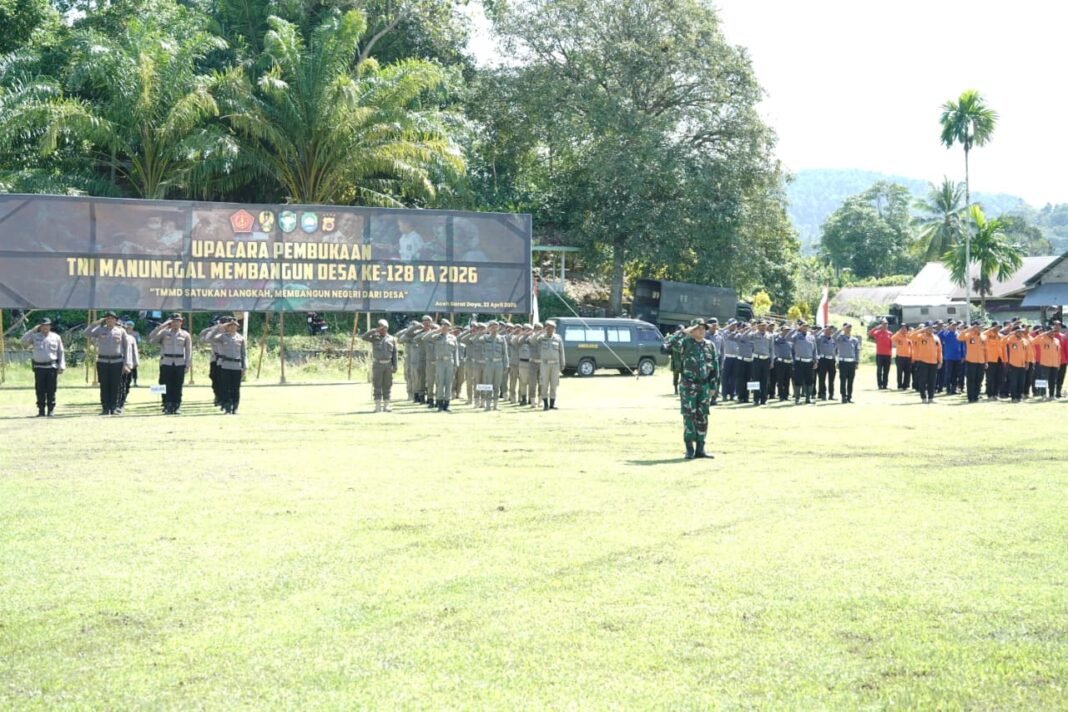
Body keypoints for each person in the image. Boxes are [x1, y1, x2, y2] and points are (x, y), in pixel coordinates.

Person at [673, 320, 718, 459]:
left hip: (704, 386)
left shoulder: (710, 345)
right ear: (692, 330)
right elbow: (670, 344)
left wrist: (713, 386)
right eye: (698, 328)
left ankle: (700, 449)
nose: (701, 331)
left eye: (703, 328)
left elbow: (715, 367)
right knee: (689, 417)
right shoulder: (685, 343)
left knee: (702, 417)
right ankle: (689, 449)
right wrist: (683, 332)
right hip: (688, 386)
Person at [86, 311, 134, 415]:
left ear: (116, 320)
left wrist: (127, 364)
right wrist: (96, 323)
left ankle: (114, 407)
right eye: (107, 318)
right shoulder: (100, 330)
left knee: (116, 385)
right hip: (103, 361)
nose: (110, 320)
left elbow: (127, 348)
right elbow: (86, 333)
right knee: (104, 385)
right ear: (105, 320)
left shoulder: (121, 331)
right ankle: (105, 407)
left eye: (112, 318)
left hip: (117, 361)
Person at [149, 314, 193, 415]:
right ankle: (167, 404)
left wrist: (187, 364)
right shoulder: (164, 333)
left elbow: (189, 350)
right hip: (166, 362)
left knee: (178, 385)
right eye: (173, 321)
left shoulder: (185, 335)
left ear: (181, 322)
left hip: (179, 362)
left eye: (178, 321)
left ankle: (176, 405)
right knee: (165, 384)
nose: (176, 323)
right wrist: (162, 326)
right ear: (170, 322)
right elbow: (152, 339)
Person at [21, 317, 65, 417]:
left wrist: (61, 365)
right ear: (40, 327)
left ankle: (51, 410)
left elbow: (61, 352)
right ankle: (41, 410)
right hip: (39, 367)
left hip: (51, 367)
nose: (45, 327)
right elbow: (23, 341)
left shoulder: (56, 337)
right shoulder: (35, 336)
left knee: (51, 389)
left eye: (47, 325)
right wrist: (32, 330)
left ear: (50, 326)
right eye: (43, 326)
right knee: (40, 390)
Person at [204, 319, 247, 414]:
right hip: (225, 365)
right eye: (230, 325)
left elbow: (243, 354)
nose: (232, 327)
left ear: (237, 327)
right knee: (225, 387)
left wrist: (244, 367)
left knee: (236, 388)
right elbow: (208, 339)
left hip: (236, 365)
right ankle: (227, 407)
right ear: (227, 327)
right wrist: (217, 328)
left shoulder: (240, 338)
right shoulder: (222, 337)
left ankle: (235, 407)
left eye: (234, 326)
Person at [361, 319, 398, 412]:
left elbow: (394, 353)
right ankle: (377, 406)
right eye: (381, 327)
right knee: (377, 385)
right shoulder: (374, 337)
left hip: (388, 365)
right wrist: (374, 330)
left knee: (387, 385)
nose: (383, 330)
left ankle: (386, 405)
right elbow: (364, 337)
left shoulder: (392, 339)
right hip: (377, 364)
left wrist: (395, 366)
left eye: (385, 328)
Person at [428, 319, 461, 411]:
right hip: (440, 362)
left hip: (450, 362)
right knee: (440, 382)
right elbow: (425, 338)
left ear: (449, 328)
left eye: (446, 326)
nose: (445, 328)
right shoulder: (436, 337)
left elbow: (456, 352)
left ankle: (447, 403)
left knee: (448, 383)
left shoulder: (453, 338)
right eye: (443, 326)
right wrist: (437, 331)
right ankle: (439, 403)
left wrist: (456, 364)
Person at [536, 320, 565, 410]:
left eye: (552, 328)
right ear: (545, 328)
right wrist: (540, 332)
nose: (550, 329)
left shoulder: (558, 338)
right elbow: (533, 341)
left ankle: (552, 404)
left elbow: (561, 352)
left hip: (555, 365)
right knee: (544, 384)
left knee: (554, 384)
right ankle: (545, 404)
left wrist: (562, 363)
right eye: (548, 327)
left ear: (554, 329)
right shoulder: (541, 338)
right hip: (545, 364)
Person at [481, 321, 510, 411]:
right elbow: (478, 341)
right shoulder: (485, 338)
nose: (494, 329)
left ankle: (495, 405)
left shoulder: (501, 339)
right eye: (492, 327)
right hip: (488, 364)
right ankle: (488, 405)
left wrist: (506, 365)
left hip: (499, 364)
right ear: (489, 328)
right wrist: (485, 331)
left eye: (496, 327)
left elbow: (505, 353)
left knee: (497, 385)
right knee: (488, 385)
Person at [911, 323, 942, 404]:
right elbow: (911, 336)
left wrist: (940, 361)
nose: (931, 329)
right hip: (923, 362)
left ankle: (931, 398)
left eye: (932, 328)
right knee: (923, 381)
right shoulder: (920, 336)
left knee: (932, 381)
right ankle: (923, 397)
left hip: (933, 362)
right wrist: (922, 329)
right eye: (929, 328)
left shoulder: (936, 338)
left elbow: (939, 351)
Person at [788, 321, 817, 404]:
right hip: (799, 361)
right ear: (800, 327)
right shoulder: (796, 336)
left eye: (806, 326)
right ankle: (797, 399)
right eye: (803, 326)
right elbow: (788, 337)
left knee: (809, 380)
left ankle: (808, 399)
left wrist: (815, 361)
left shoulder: (811, 337)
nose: (805, 327)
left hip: (809, 362)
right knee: (798, 380)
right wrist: (796, 329)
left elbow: (815, 350)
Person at [957, 322, 986, 403]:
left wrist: (986, 361)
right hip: (971, 360)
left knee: (979, 379)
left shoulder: (983, 337)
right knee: (971, 380)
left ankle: (976, 396)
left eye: (980, 327)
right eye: (977, 327)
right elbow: (959, 338)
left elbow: (985, 350)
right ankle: (971, 397)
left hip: (981, 361)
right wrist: (969, 329)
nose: (979, 328)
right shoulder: (969, 335)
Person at [1004, 326, 1032, 403]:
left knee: (1021, 382)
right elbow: (1003, 341)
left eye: (1021, 332)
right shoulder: (1011, 339)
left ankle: (1019, 396)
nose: (1020, 333)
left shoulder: (1024, 341)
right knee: (1014, 382)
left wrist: (1027, 363)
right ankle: (1014, 397)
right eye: (1018, 332)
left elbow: (1027, 353)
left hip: (1022, 364)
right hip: (1013, 364)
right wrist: (1011, 334)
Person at [834, 323, 860, 403]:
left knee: (850, 381)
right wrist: (841, 329)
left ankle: (849, 397)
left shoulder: (854, 339)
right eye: (847, 328)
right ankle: (843, 396)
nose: (848, 329)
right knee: (843, 380)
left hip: (851, 362)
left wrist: (857, 362)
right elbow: (833, 337)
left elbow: (857, 351)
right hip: (843, 362)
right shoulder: (840, 337)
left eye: (849, 328)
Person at [1034, 326, 1061, 400]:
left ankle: (1051, 395)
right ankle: (1043, 395)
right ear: (1047, 332)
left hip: (1054, 364)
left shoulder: (1057, 340)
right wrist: (1043, 334)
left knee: (1053, 380)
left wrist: (1058, 363)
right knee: (1043, 380)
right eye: (1051, 331)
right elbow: (1033, 341)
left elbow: (1058, 353)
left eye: (1054, 331)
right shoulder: (1042, 339)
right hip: (1045, 363)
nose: (1053, 333)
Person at [118, 320, 140, 411]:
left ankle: (123, 399)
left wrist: (135, 362)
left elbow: (134, 351)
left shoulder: (131, 337)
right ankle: (117, 402)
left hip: (129, 363)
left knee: (126, 384)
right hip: (117, 362)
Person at [771, 324, 794, 401]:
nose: (787, 332)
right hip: (780, 361)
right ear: (782, 331)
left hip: (789, 362)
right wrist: (780, 334)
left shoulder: (790, 341)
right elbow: (774, 339)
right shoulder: (778, 338)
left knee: (787, 380)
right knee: (780, 380)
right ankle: (781, 395)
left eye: (788, 331)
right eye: (785, 330)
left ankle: (786, 395)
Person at [815, 325, 838, 401]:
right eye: (828, 329)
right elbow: (815, 336)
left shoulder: (833, 339)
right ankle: (823, 394)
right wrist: (822, 330)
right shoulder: (820, 338)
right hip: (823, 360)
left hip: (831, 360)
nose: (830, 331)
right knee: (822, 378)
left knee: (831, 379)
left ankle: (831, 395)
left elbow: (835, 350)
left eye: (831, 330)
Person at [868, 320, 892, 389]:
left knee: (886, 371)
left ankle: (885, 385)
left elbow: (891, 344)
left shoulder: (890, 333)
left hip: (888, 355)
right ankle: (879, 385)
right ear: (881, 325)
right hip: (880, 354)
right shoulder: (877, 332)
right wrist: (876, 327)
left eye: (886, 324)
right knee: (879, 370)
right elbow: (869, 333)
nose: (885, 325)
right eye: (884, 324)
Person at [983, 322, 1003, 400]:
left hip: (999, 359)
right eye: (996, 327)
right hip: (990, 359)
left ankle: (996, 394)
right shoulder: (987, 335)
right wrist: (990, 330)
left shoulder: (1000, 336)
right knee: (990, 378)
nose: (997, 328)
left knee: (998, 377)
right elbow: (983, 334)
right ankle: (990, 394)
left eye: (999, 327)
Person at [720, 320, 739, 401]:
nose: (734, 326)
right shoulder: (724, 333)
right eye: (732, 325)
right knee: (725, 377)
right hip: (727, 357)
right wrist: (727, 327)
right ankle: (724, 394)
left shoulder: (738, 334)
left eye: (735, 325)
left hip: (735, 357)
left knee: (734, 377)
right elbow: (720, 331)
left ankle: (732, 394)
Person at [891, 325, 913, 391]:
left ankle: (905, 385)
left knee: (907, 372)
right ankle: (899, 385)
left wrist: (912, 356)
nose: (903, 329)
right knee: (899, 372)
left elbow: (912, 348)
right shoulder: (898, 336)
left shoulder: (909, 337)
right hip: (900, 357)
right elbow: (892, 338)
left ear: (907, 329)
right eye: (902, 328)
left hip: (908, 357)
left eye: (905, 328)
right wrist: (898, 332)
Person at [666, 325, 684, 395]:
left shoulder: (683, 337)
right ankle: (676, 390)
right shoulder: (673, 337)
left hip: (681, 360)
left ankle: (680, 389)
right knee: (676, 376)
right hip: (676, 359)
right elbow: (668, 343)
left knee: (682, 376)